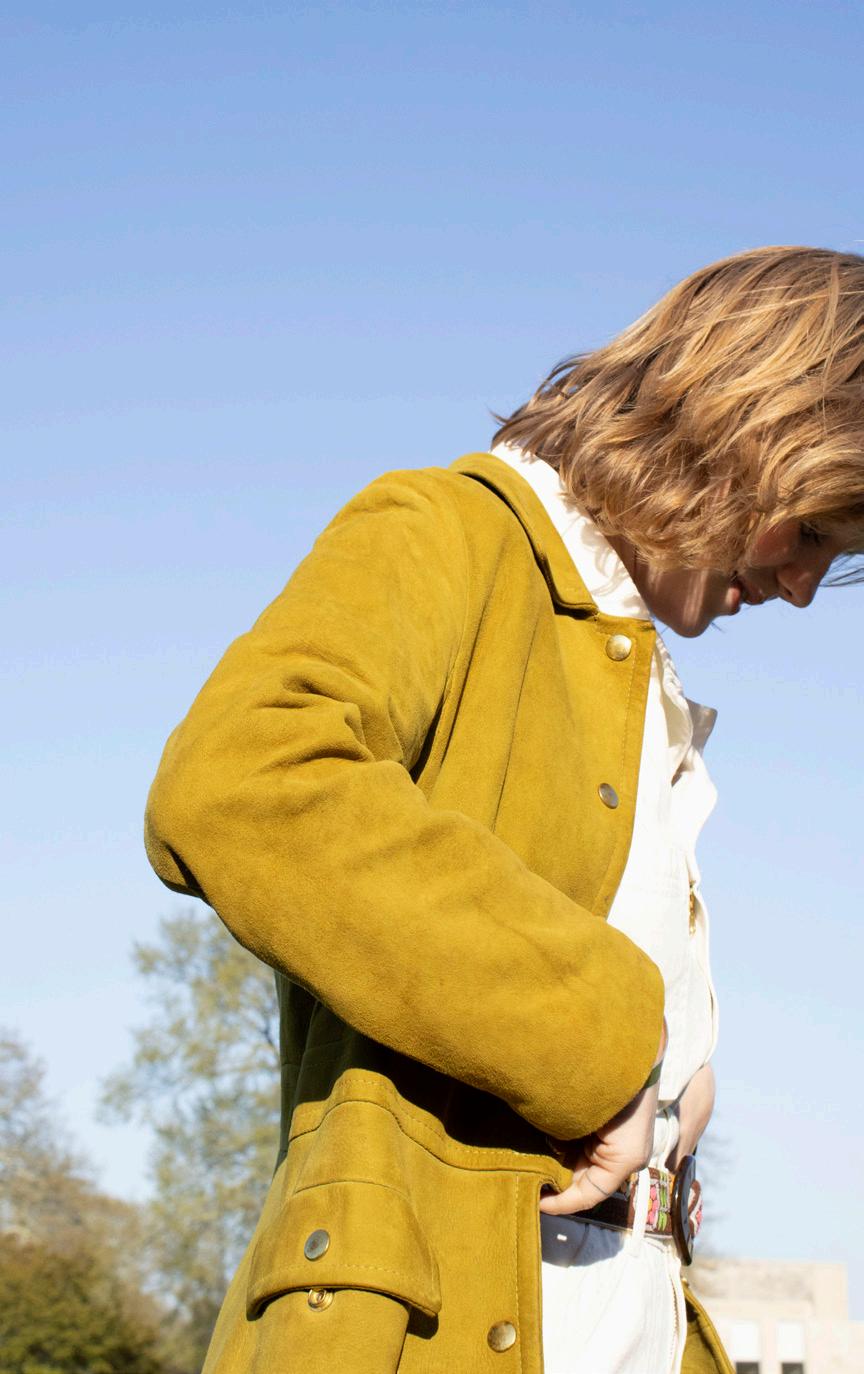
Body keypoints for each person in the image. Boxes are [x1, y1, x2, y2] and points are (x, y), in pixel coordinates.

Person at [143, 244, 864, 1374]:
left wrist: (678, 1081)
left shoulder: (632, 667)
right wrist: (605, 1041)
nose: (805, 588)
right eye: (812, 531)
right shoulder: (453, 530)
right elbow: (242, 779)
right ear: (741, 428)